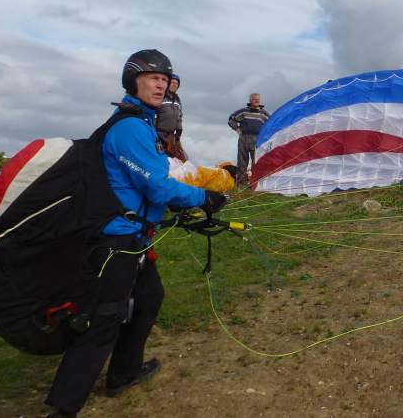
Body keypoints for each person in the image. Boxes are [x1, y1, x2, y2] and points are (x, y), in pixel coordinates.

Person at [44, 50, 226, 418]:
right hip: (114, 240)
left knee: (148, 298)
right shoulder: (129, 128)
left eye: (165, 79)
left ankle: (124, 372)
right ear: (133, 82)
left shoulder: (143, 124)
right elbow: (156, 186)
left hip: (134, 237)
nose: (160, 85)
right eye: (152, 78)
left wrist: (177, 207)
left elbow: (148, 185)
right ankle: (63, 408)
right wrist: (203, 197)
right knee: (105, 318)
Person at [227, 92, 269, 184]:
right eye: (254, 99)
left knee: (256, 161)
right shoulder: (243, 111)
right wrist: (237, 129)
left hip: (257, 139)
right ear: (250, 100)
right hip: (244, 137)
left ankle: (256, 183)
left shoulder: (264, 113)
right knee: (242, 161)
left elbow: (270, 125)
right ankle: (242, 182)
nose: (256, 101)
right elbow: (231, 119)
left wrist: (265, 136)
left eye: (257, 99)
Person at [156, 73, 184, 159]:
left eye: (176, 83)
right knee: (158, 157)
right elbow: (154, 114)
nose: (174, 85)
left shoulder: (177, 100)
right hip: (158, 134)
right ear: (168, 84)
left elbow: (179, 116)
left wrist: (179, 132)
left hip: (171, 136)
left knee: (174, 158)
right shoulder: (161, 97)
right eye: (172, 82)